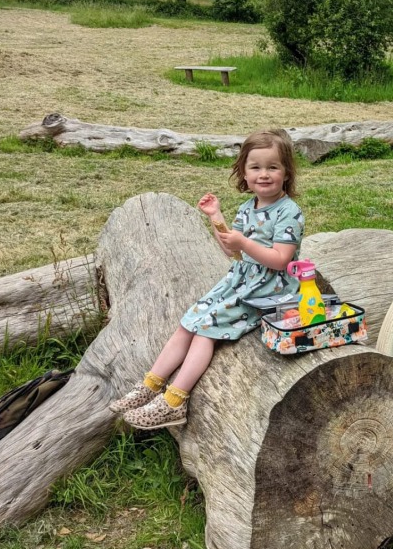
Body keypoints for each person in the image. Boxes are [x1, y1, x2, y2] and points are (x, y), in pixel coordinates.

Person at [110, 128, 304, 429]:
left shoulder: (289, 212)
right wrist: (215, 218)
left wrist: (243, 244)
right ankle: (150, 385)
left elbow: (280, 260)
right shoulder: (246, 207)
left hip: (271, 289)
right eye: (255, 167)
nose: (263, 174)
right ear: (243, 172)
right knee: (189, 321)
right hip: (243, 279)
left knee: (206, 330)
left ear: (286, 172)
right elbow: (231, 250)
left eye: (272, 167)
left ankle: (175, 401)